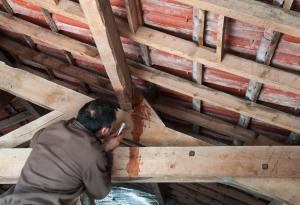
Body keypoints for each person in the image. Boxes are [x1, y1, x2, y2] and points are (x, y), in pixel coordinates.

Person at [0, 100, 124, 205]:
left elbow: (34, 142)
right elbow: (99, 192)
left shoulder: (55, 127)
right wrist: (106, 149)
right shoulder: (94, 154)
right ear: (105, 130)